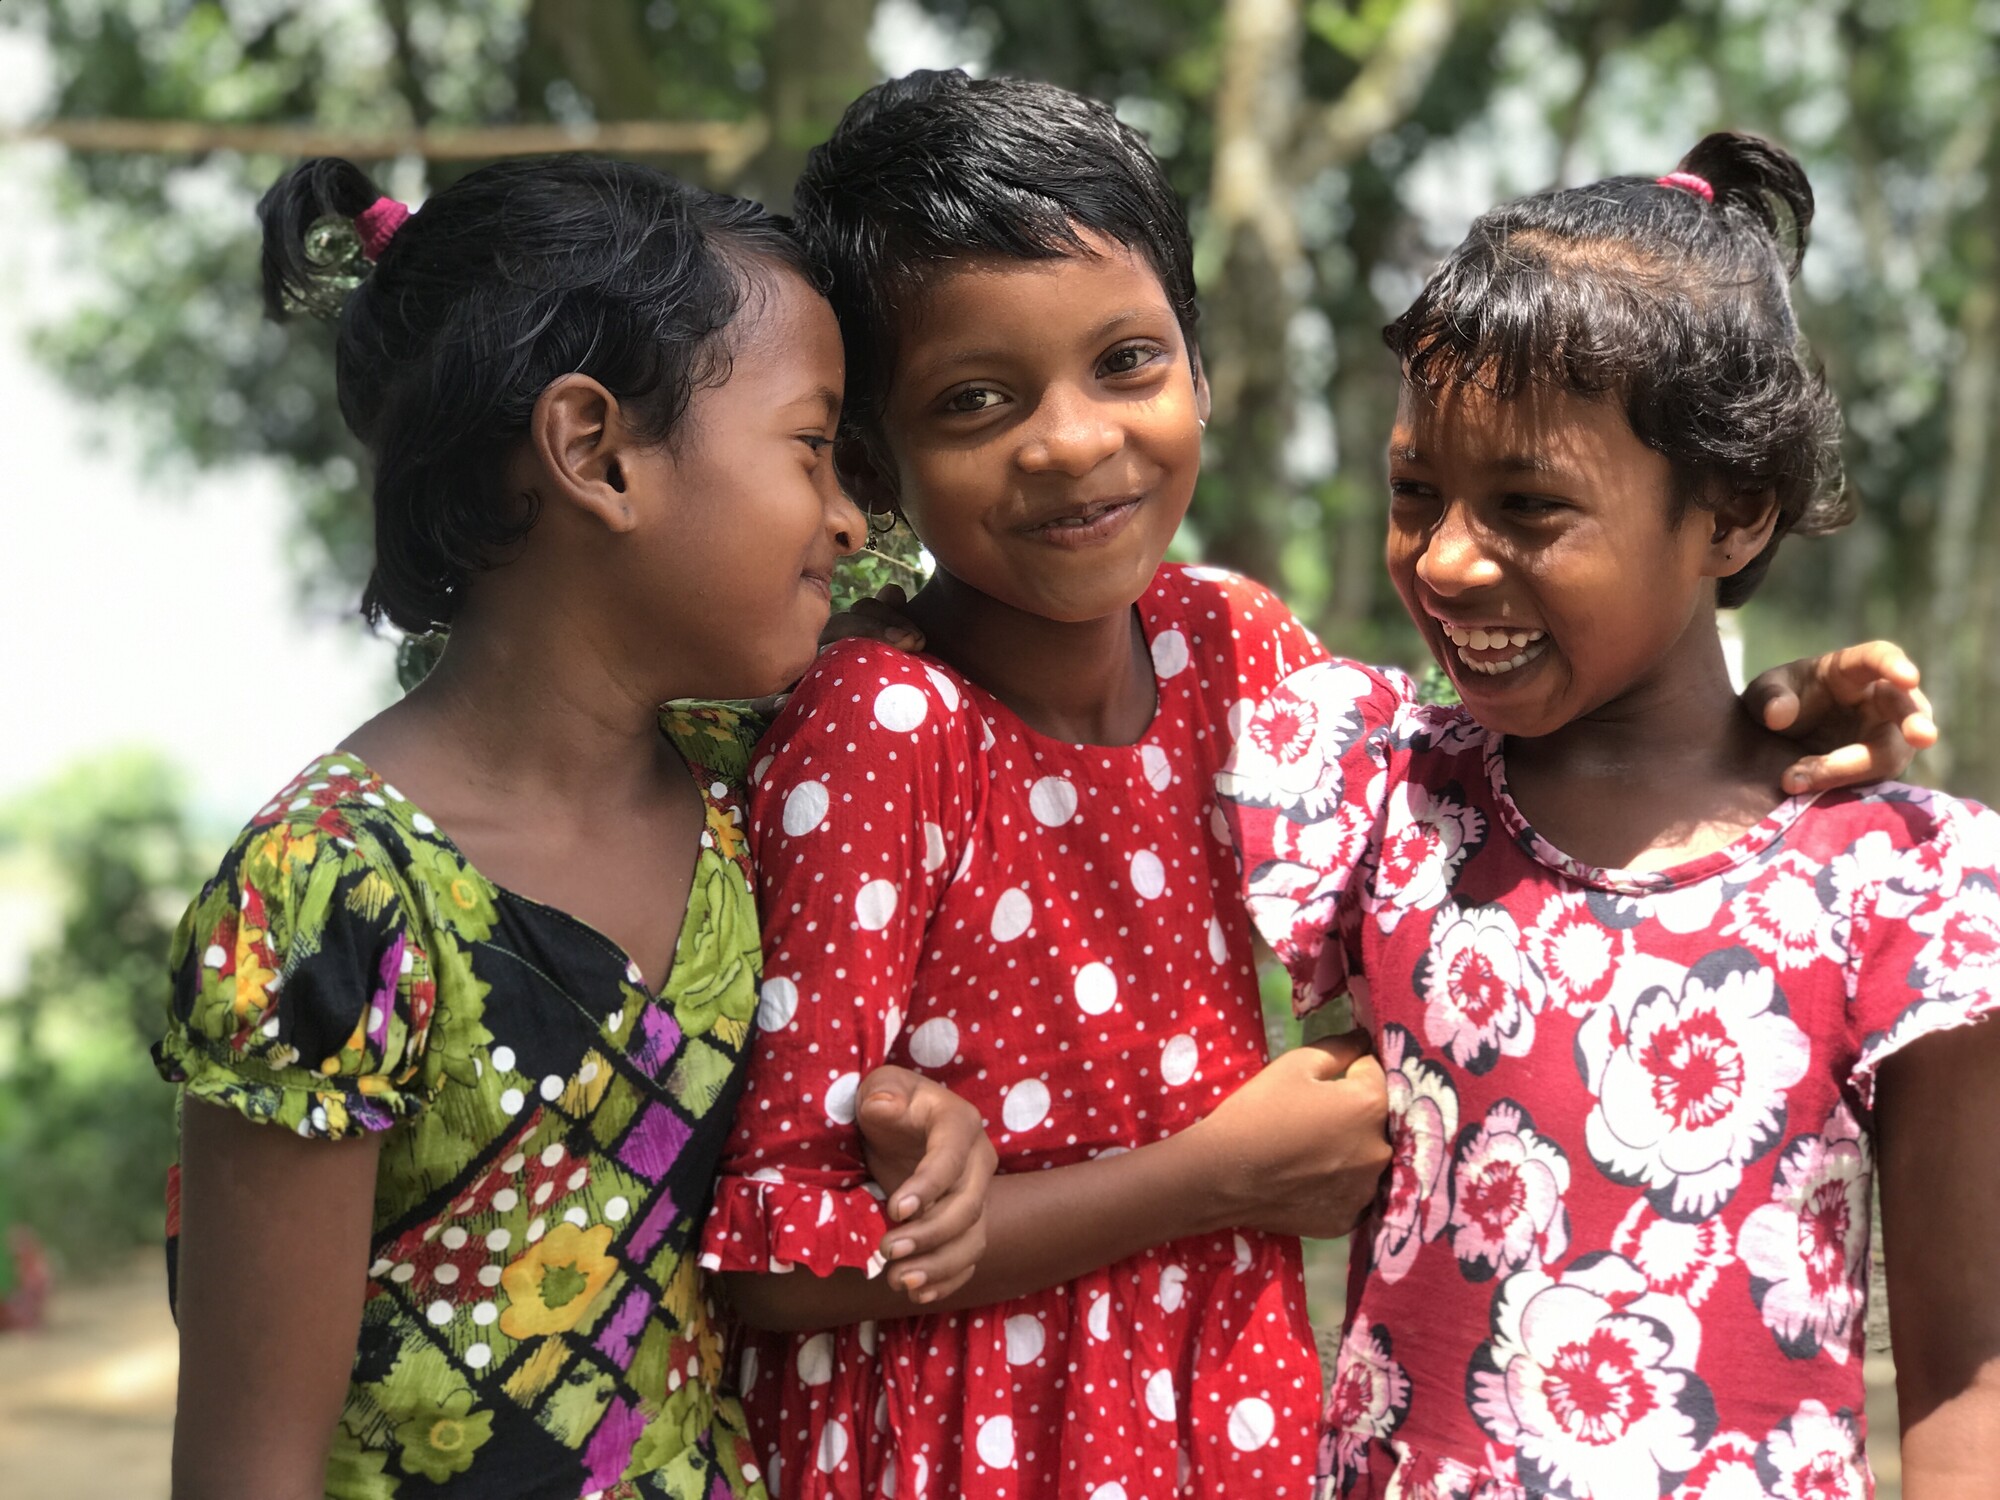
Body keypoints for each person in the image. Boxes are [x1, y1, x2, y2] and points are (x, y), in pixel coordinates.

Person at [699, 73, 1936, 1500]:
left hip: (1227, 1438)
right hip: (969, 1455)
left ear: (1200, 367)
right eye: (975, 400)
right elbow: (774, 1260)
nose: (1072, 440)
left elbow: (1516, 770)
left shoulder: (1235, 652)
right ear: (874, 455)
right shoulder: (883, 725)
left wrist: (1754, 732)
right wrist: (1212, 1177)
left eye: (1125, 362)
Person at [156, 154, 992, 1500]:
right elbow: (248, 1469)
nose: (849, 515)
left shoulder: (763, 793)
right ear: (596, 451)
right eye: (813, 445)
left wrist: (935, 1134)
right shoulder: (330, 896)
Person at [1217, 134, 1999, 1499]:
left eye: (1530, 506)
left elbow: (1967, 1367)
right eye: (1416, 492)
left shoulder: (1893, 884)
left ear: (1735, 512)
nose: (1450, 557)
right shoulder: (1388, 802)